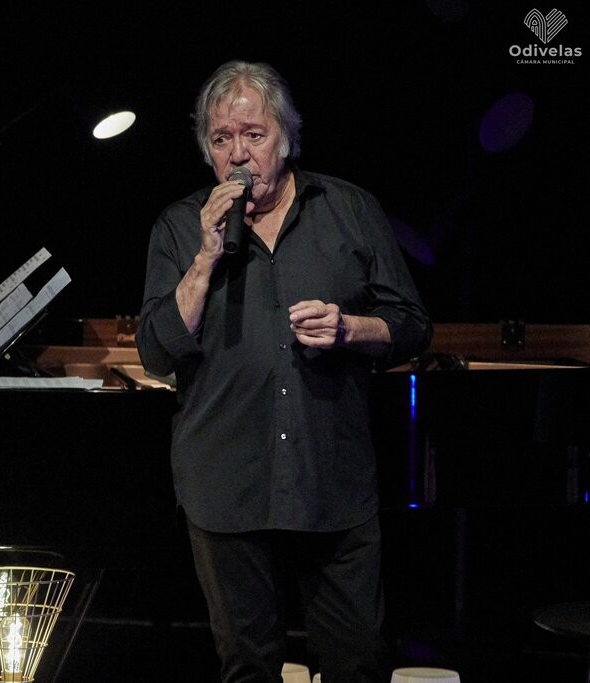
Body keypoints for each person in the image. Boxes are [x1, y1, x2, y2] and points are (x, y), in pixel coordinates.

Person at [135, 61, 432, 682]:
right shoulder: (180, 226)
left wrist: (350, 328)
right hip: (225, 485)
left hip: (332, 481)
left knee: (358, 660)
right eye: (222, 138)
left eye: (254, 134)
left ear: (286, 138)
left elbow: (411, 325)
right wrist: (205, 258)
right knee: (247, 667)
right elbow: (157, 355)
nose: (238, 154)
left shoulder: (349, 209)